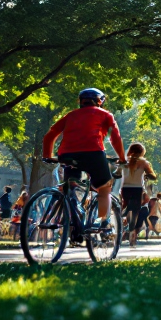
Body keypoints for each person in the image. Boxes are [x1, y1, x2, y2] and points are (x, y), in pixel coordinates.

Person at [42, 87, 126, 230]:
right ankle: (102, 221)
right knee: (104, 188)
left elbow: (50, 135)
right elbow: (115, 138)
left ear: (80, 101)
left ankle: (71, 220)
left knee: (70, 185)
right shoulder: (105, 115)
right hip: (94, 154)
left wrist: (47, 156)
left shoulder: (70, 115)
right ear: (100, 101)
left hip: (67, 155)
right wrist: (122, 158)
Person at [119, 142, 156, 246]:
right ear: (142, 152)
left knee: (125, 206)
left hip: (125, 188)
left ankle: (122, 217)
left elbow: (117, 173)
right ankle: (132, 232)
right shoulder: (144, 162)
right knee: (135, 210)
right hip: (137, 189)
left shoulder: (124, 161)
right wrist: (149, 175)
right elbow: (153, 176)